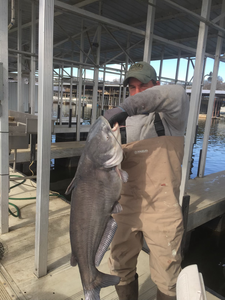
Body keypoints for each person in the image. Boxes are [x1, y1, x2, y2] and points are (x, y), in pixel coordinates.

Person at [103, 61, 189, 300]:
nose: (137, 92)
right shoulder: (117, 126)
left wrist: (125, 107)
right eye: (132, 88)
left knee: (167, 275)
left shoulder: (171, 117)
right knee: (120, 266)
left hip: (163, 209)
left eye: (144, 86)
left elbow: (178, 92)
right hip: (124, 207)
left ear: (156, 85)